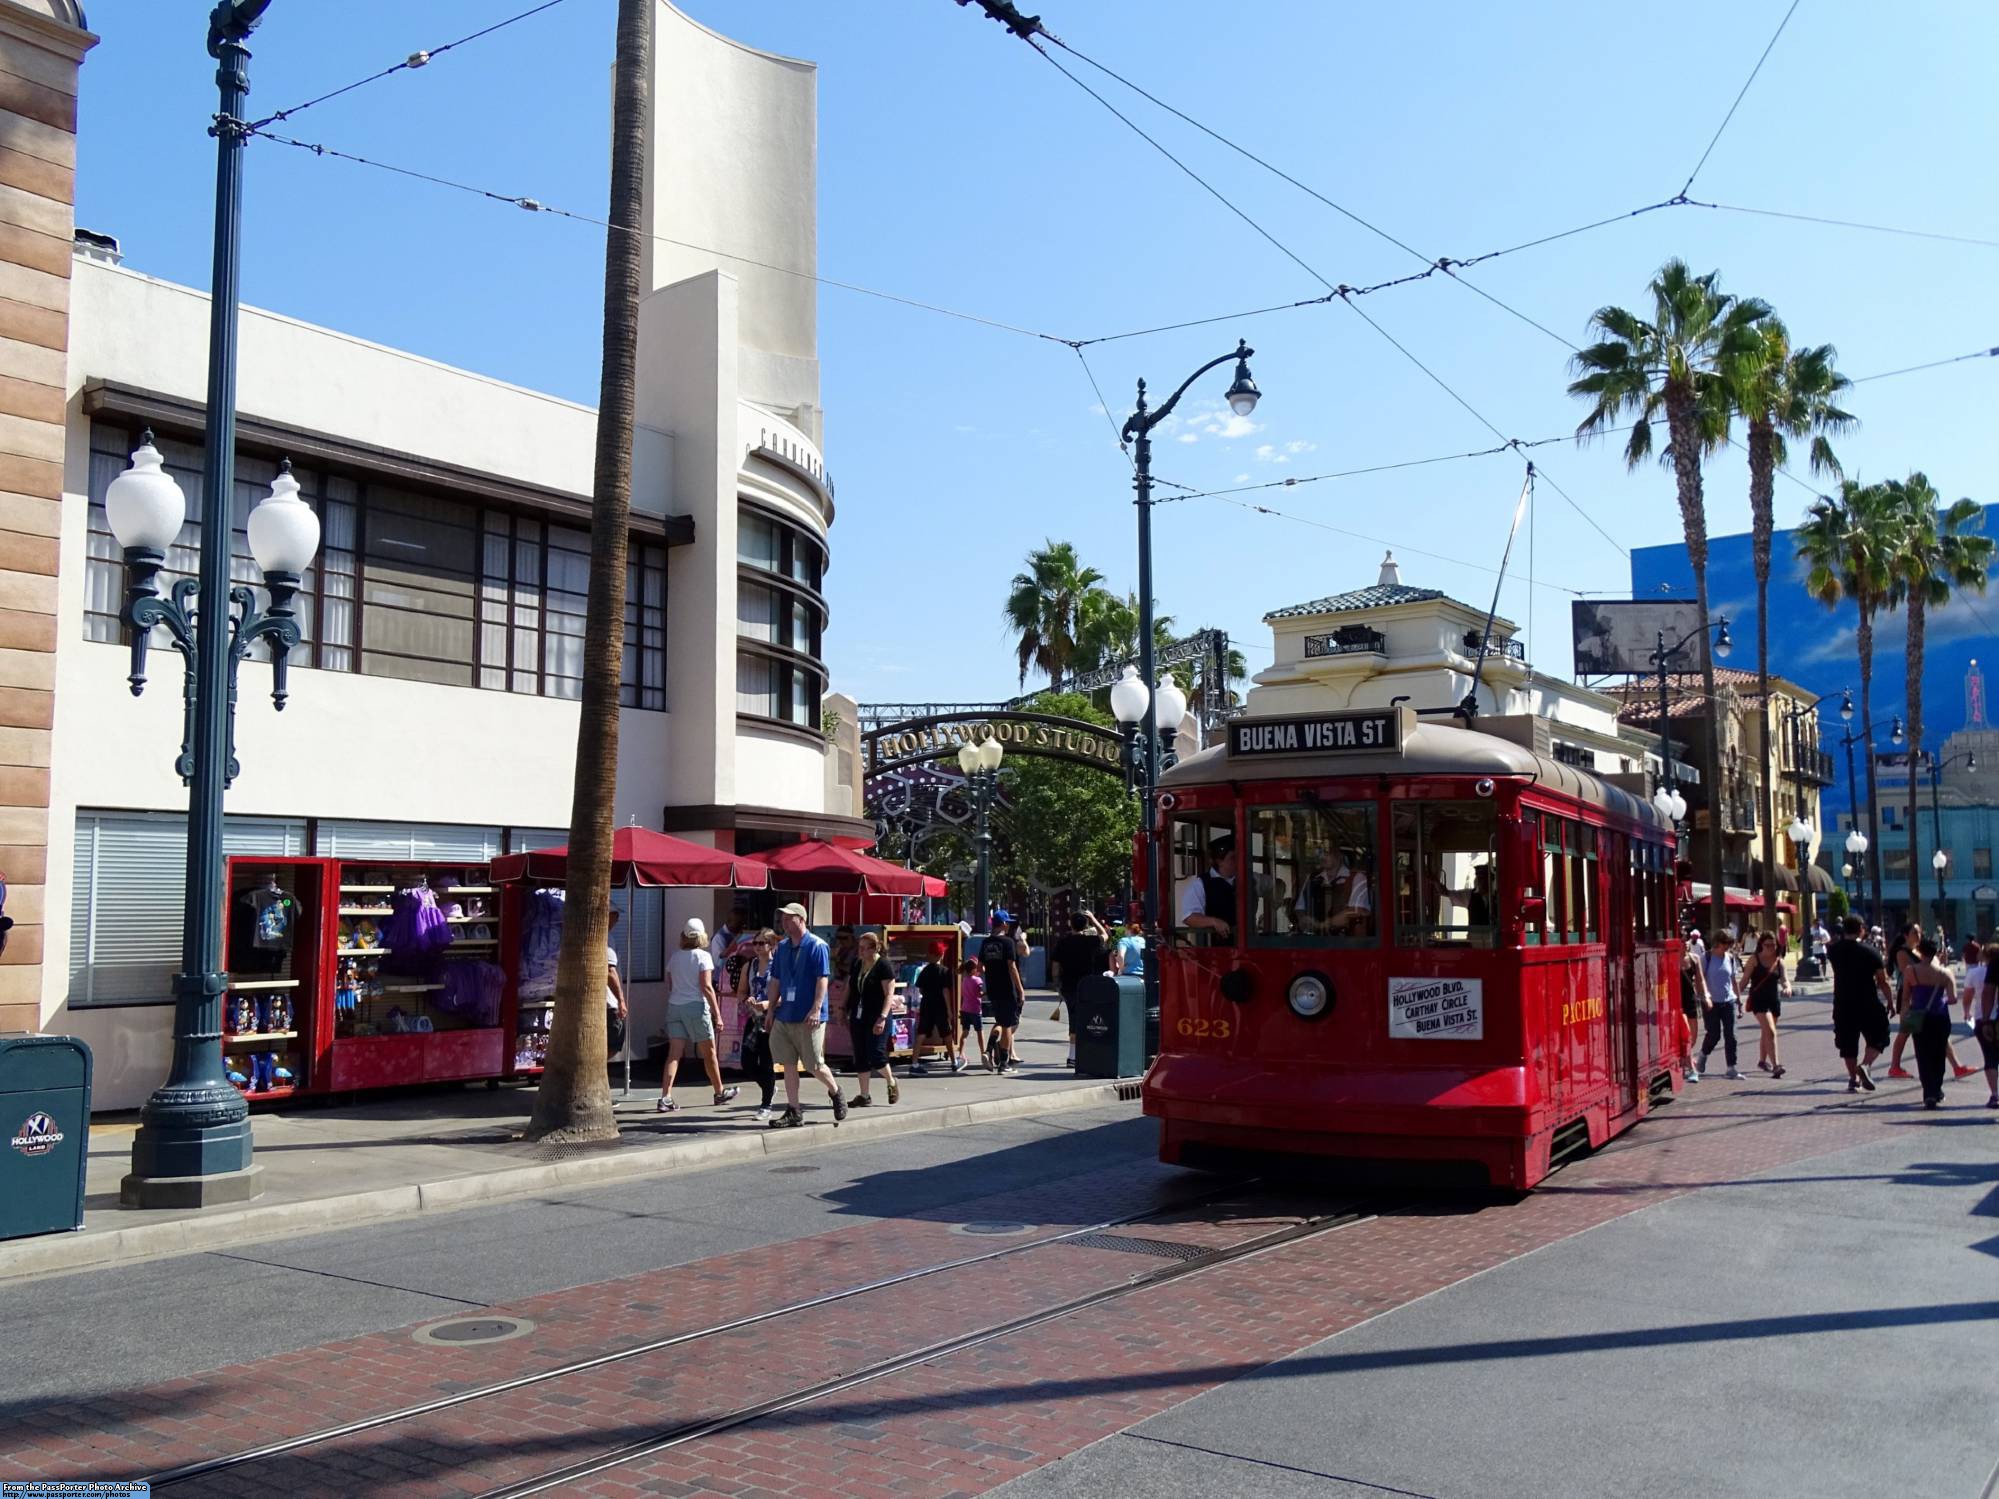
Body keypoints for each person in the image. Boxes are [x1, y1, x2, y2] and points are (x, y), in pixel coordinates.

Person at [767, 902, 847, 1127]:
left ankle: (835, 1091)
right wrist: (771, 1009)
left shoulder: (817, 946)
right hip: (785, 1015)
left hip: (808, 1016)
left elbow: (822, 978)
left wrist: (815, 1008)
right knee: (788, 1064)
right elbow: (776, 980)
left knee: (813, 1064)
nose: (783, 921)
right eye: (782, 917)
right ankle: (794, 1110)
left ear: (801, 919)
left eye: (788, 917)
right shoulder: (782, 947)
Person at [656, 918, 739, 1113]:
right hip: (695, 1006)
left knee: (674, 1054)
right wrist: (717, 1014)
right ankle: (719, 1092)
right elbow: (707, 987)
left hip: (675, 1006)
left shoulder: (675, 957)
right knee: (709, 1052)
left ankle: (665, 1097)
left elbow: (671, 984)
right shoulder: (703, 957)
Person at [1826, 914, 1891, 1092]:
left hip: (1842, 1002)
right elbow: (1882, 980)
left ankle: (1853, 1078)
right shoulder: (1870, 952)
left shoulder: (1834, 951)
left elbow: (1832, 946)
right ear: (1861, 928)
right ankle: (1866, 1064)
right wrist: (1891, 1001)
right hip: (1867, 1001)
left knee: (1847, 1042)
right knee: (1880, 1035)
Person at [846, 930, 900, 1106]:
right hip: (858, 1015)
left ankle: (891, 1082)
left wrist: (883, 1017)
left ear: (874, 949)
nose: (860, 951)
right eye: (859, 948)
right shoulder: (857, 964)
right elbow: (850, 987)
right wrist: (841, 1007)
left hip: (877, 1015)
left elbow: (889, 994)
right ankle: (864, 1095)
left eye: (863, 948)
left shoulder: (883, 965)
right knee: (860, 1055)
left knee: (876, 1054)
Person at [1052, 909, 1111, 1068]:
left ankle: (1072, 1056)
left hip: (1069, 986)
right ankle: (1088, 1054)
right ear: (1086, 924)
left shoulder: (1063, 942)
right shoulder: (1092, 941)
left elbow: (1056, 967)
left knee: (1074, 1019)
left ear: (1070, 924)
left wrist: (1057, 985)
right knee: (1090, 1020)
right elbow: (1105, 935)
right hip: (1089, 986)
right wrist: (1093, 918)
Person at [1905, 939, 1958, 1109]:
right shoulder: (1945, 973)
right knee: (1938, 1054)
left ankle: (1928, 1091)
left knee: (1922, 1054)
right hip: (1939, 1016)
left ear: (1920, 952)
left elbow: (1906, 996)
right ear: (1936, 952)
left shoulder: (1910, 970)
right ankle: (1936, 1089)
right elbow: (1952, 998)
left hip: (1917, 1015)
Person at [738, 928, 780, 1123]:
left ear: (771, 945)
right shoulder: (751, 965)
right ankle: (769, 1087)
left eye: (761, 943)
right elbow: (742, 991)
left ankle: (766, 1105)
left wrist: (769, 1004)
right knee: (746, 1061)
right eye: (755, 943)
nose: (757, 947)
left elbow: (785, 993)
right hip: (754, 1019)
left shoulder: (778, 966)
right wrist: (747, 1000)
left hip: (772, 1018)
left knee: (766, 1062)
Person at [1294, 842, 1372, 937]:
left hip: (1348, 944)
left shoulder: (1357, 877)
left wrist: (1322, 925)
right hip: (1315, 943)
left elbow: (1356, 911)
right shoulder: (1312, 879)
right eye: (1320, 852)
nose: (1322, 856)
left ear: (1339, 854)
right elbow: (1300, 908)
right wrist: (1303, 919)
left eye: (1327, 852)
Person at [979, 917, 1026, 1073]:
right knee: (1007, 1025)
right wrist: (1020, 990)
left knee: (1000, 1020)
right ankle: (1003, 1064)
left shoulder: (985, 943)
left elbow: (980, 968)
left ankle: (989, 1049)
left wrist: (991, 974)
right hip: (1007, 988)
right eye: (1008, 922)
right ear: (1004, 924)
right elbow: (1012, 967)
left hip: (993, 988)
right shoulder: (1007, 942)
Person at [911, 942, 963, 1074]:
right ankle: (953, 1062)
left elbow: (921, 989)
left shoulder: (925, 970)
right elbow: (946, 991)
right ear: (941, 954)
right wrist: (950, 1010)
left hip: (927, 1005)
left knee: (921, 1033)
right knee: (946, 1034)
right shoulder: (944, 971)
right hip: (940, 1006)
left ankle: (914, 1063)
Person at [1698, 930, 1743, 1081]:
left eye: (1729, 944)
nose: (1727, 947)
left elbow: (1733, 980)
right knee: (1714, 1034)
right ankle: (1703, 1054)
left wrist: (1738, 999)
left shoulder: (1730, 958)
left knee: (1731, 1035)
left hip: (1728, 1001)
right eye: (1725, 944)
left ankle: (1731, 1067)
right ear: (1717, 942)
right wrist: (1705, 996)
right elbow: (1700, 979)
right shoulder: (1706, 958)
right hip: (1711, 1003)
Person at [1176, 833, 1239, 942]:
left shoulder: (1249, 879)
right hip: (1216, 950)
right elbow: (1189, 917)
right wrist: (1214, 922)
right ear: (1219, 861)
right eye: (1233, 858)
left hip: (1249, 944)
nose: (1238, 862)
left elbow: (1273, 884)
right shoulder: (1200, 884)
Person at [1743, 932, 1789, 1079]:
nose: (1770, 948)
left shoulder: (1779, 961)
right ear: (1761, 945)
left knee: (1766, 1031)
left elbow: (1784, 980)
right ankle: (1776, 1065)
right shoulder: (1754, 959)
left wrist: (1787, 987)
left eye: (1773, 945)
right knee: (1770, 1031)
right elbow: (1744, 981)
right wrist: (1735, 996)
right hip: (1759, 1000)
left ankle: (1762, 1061)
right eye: (1767, 945)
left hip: (1773, 1000)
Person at [1960, 940, 1997, 1109]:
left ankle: (1995, 1094)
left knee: (1990, 1057)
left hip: (1985, 1018)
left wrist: (1967, 1012)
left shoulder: (1975, 973)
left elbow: (1972, 996)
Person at [1679, 931, 1707, 1082]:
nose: (1686, 944)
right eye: (1682, 942)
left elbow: (1700, 980)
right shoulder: (1670, 959)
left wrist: (1706, 997)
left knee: (1693, 1037)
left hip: (1691, 1000)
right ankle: (1692, 1069)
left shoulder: (1694, 959)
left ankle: (1684, 1060)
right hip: (1677, 1003)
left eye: (1686, 942)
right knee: (1687, 1035)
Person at [605, 907, 628, 1062]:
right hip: (609, 1001)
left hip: (606, 1001)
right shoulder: (607, 938)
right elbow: (609, 971)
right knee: (614, 1042)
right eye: (615, 916)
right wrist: (620, 1000)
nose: (617, 920)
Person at [956, 956, 988, 1070]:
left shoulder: (964, 980)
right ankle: (983, 1053)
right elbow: (979, 994)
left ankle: (961, 1054)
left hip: (965, 1009)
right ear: (974, 969)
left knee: (965, 1032)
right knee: (980, 1032)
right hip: (975, 1010)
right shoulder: (978, 980)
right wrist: (986, 993)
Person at [1113, 915, 1146, 980]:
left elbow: (1121, 956)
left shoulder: (1124, 941)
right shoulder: (1143, 940)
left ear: (1128, 929)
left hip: (1129, 974)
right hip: (1144, 974)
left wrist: (1121, 970)